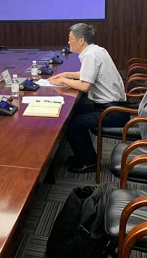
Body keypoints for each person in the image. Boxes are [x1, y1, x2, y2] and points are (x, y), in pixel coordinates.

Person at [49, 23, 129, 173]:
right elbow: (88, 74)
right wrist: (66, 74)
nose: (68, 42)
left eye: (70, 39)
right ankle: (85, 156)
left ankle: (89, 162)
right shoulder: (96, 50)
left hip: (113, 112)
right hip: (114, 106)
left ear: (81, 40)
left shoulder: (90, 55)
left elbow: (85, 86)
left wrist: (64, 81)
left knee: (73, 124)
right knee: (73, 113)